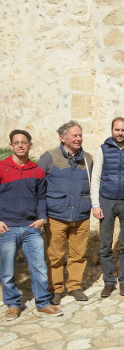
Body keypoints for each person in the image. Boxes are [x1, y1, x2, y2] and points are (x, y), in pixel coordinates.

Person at [0, 130, 62, 318]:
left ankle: (43, 303)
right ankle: (12, 304)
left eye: (24, 142)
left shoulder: (37, 170)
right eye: (16, 142)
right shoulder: (2, 168)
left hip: (31, 227)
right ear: (11, 146)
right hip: (7, 228)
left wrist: (42, 218)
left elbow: (42, 197)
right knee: (8, 270)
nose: (20, 145)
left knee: (39, 268)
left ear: (30, 145)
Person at [38, 120, 93, 304]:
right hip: (56, 216)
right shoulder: (49, 157)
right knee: (55, 255)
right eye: (74, 135)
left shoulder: (88, 159)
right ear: (62, 138)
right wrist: (40, 214)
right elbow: (38, 187)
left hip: (81, 215)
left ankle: (75, 286)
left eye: (80, 135)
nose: (79, 139)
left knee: (78, 254)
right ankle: (56, 289)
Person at [91, 117, 124, 297]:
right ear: (112, 130)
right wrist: (95, 204)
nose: (120, 133)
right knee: (106, 244)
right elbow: (95, 178)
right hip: (106, 200)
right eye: (117, 130)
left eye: (123, 130)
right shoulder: (103, 149)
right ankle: (108, 281)